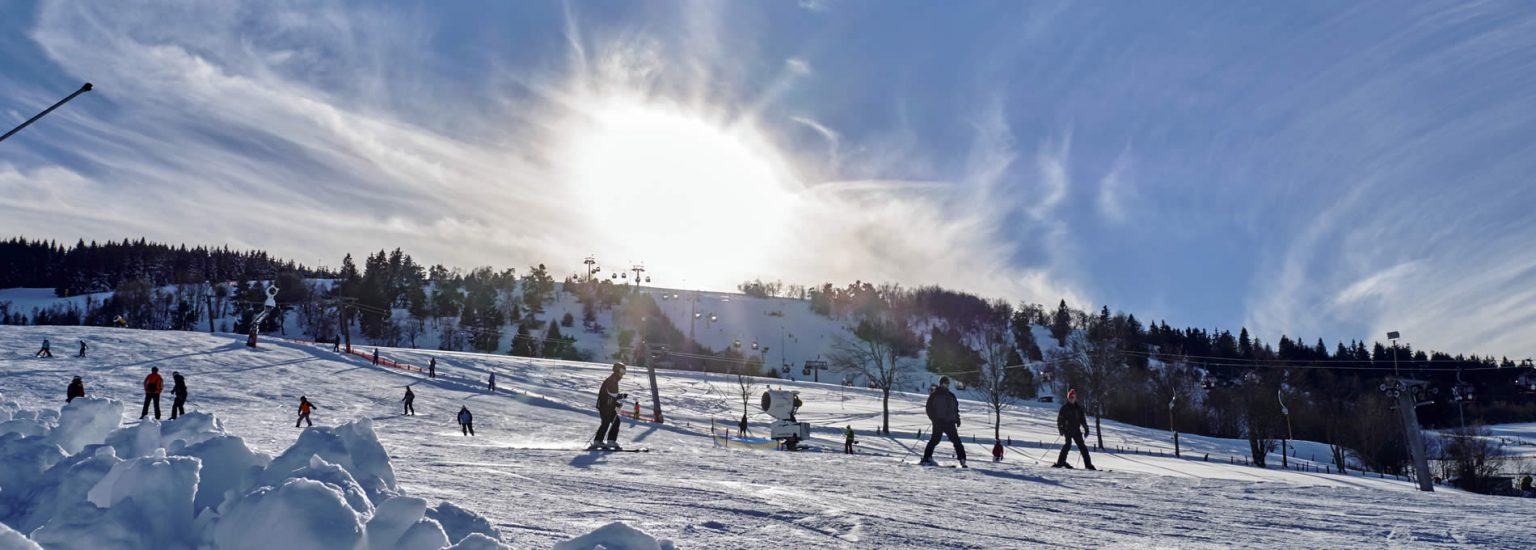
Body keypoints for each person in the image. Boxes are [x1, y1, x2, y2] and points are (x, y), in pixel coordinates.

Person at [920, 376, 966, 467]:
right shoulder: (935, 395)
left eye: (947, 384)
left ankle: (962, 459)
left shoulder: (951, 396)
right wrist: (934, 419)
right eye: (944, 383)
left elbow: (955, 409)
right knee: (935, 440)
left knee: (957, 441)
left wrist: (957, 419)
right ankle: (927, 457)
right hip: (939, 422)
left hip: (950, 422)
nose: (946, 385)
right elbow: (929, 408)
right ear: (940, 384)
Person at [588, 362, 629, 450]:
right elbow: (612, 394)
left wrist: (616, 404)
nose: (623, 374)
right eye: (622, 371)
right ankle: (607, 441)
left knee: (610, 422)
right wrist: (621, 396)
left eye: (624, 371)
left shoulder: (614, 379)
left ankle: (602, 440)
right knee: (609, 422)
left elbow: (610, 396)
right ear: (617, 370)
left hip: (608, 405)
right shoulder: (612, 380)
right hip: (604, 405)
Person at [1054, 388, 1096, 470]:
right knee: (1067, 445)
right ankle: (1060, 462)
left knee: (1083, 447)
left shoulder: (1078, 409)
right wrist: (1061, 429)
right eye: (1070, 397)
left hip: (1076, 431)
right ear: (1068, 398)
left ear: (1075, 398)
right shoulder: (1064, 408)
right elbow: (1060, 419)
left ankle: (1088, 465)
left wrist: (1086, 429)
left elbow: (1082, 420)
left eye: (1073, 397)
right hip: (1067, 430)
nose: (1071, 399)